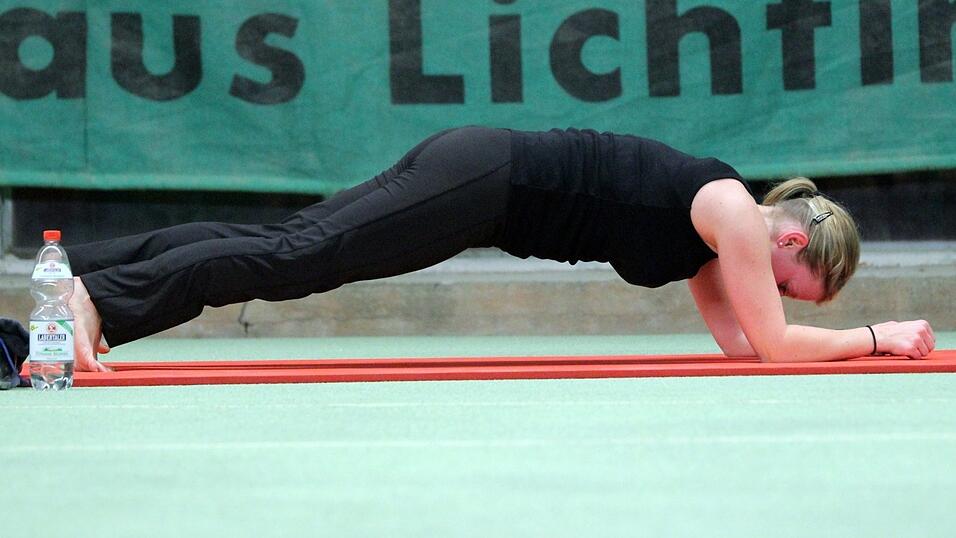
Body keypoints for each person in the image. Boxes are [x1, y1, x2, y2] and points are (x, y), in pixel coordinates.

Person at [64, 126, 935, 372]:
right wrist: (878, 335)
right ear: (790, 239)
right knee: (298, 258)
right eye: (792, 283)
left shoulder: (714, 245)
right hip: (489, 180)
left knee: (287, 243)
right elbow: (778, 341)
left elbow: (747, 346)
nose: (773, 293)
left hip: (480, 180)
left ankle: (82, 275)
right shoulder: (737, 218)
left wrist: (829, 336)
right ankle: (102, 304)